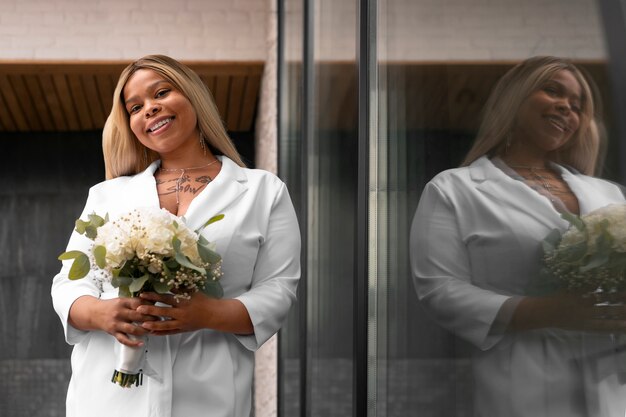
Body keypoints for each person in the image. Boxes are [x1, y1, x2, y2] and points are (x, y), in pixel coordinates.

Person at [51, 55, 301, 417]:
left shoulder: (264, 191)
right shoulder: (107, 195)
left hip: (209, 394)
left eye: (161, 93)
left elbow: (279, 289)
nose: (150, 109)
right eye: (135, 107)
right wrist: (102, 313)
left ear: (193, 97)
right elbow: (69, 283)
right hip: (105, 396)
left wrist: (209, 314)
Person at [410, 56, 626, 416]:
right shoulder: (455, 189)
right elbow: (440, 290)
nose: (566, 108)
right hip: (525, 380)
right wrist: (549, 312)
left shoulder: (610, 194)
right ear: (515, 97)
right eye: (552, 91)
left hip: (611, 378)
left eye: (577, 105)